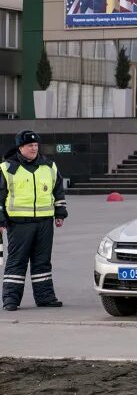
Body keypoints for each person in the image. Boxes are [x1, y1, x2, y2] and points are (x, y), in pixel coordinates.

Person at [0, 130, 68, 311]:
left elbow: (58, 191)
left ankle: (45, 297)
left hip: (44, 222)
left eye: (36, 145)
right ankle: (11, 300)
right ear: (20, 147)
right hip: (19, 223)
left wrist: (60, 213)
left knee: (42, 261)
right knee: (17, 261)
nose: (34, 148)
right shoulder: (7, 168)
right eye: (30, 145)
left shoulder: (49, 166)